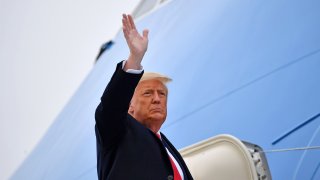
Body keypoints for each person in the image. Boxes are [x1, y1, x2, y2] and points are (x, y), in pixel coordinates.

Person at [95, 14, 193, 180]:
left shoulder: (165, 146)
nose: (157, 99)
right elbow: (112, 105)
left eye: (162, 94)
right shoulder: (117, 131)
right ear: (129, 105)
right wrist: (135, 59)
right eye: (148, 93)